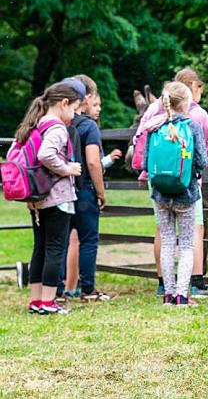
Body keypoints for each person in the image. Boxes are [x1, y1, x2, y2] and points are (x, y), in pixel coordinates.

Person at [133, 68, 208, 297]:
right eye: (200, 86)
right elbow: (203, 154)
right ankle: (194, 283)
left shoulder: (154, 111)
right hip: (188, 184)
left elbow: (141, 140)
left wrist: (145, 171)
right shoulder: (198, 115)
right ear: (192, 86)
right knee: (194, 230)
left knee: (163, 233)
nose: (201, 91)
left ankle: (165, 285)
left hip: (158, 180)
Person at [16, 82, 83, 314]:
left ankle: (36, 301)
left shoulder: (33, 124)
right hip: (56, 196)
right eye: (74, 108)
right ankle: (48, 302)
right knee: (55, 248)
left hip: (37, 196)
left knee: (40, 247)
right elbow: (46, 154)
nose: (73, 115)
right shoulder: (56, 128)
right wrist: (67, 169)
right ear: (64, 104)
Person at [142, 81, 208, 306]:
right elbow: (201, 161)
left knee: (168, 241)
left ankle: (168, 295)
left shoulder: (154, 127)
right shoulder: (192, 127)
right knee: (187, 244)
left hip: (160, 194)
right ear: (188, 103)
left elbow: (145, 162)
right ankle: (182, 295)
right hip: (186, 194)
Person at [62, 88, 122, 300]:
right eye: (95, 102)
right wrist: (100, 191)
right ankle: (88, 289)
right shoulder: (88, 127)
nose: (99, 108)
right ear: (84, 99)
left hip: (62, 189)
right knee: (88, 240)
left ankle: (57, 291)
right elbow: (93, 162)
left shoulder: (58, 122)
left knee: (60, 240)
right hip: (84, 189)